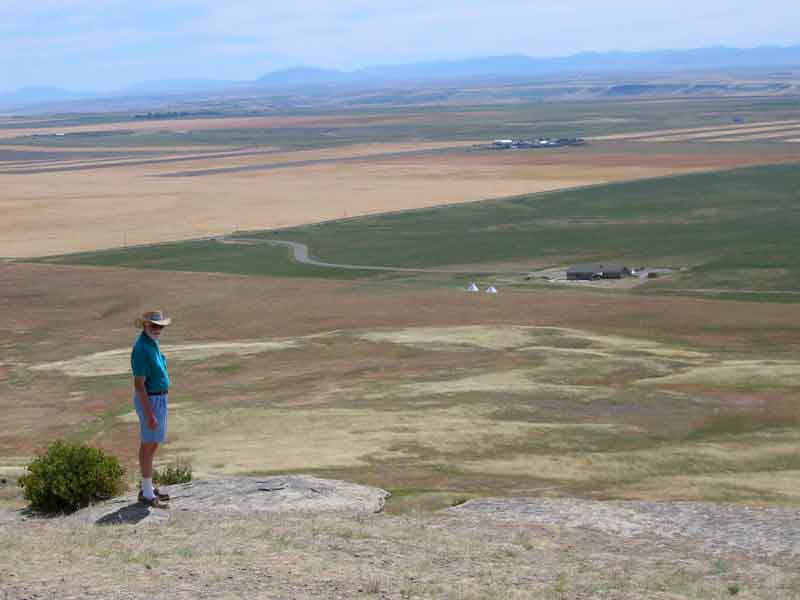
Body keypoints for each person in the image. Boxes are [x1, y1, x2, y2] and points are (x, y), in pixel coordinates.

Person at [131, 310, 172, 508]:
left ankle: (147, 487)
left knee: (153, 443)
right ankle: (147, 494)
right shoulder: (141, 348)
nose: (158, 329)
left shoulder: (151, 344)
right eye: (154, 326)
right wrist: (149, 414)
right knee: (148, 444)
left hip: (159, 399)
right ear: (145, 326)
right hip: (151, 400)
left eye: (160, 326)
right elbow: (139, 385)